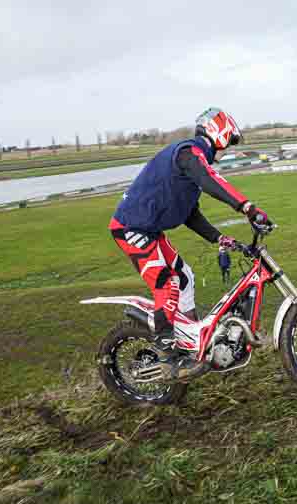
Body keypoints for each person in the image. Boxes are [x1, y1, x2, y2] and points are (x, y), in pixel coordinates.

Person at [109, 107, 271, 380]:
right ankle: (168, 355)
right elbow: (211, 181)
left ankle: (189, 343)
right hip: (131, 229)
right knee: (168, 284)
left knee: (185, 277)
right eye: (229, 142)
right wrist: (248, 207)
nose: (228, 150)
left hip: (151, 231)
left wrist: (219, 238)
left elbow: (190, 214)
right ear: (218, 133)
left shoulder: (193, 163)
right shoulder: (189, 153)